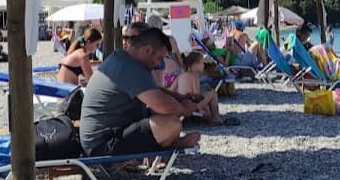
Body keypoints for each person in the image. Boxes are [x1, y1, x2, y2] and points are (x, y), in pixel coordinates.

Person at [79, 25, 201, 156]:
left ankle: (166, 147)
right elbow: (162, 105)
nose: (159, 64)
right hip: (102, 145)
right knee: (171, 124)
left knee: (167, 119)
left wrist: (179, 98)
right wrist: (184, 109)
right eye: (159, 58)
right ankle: (170, 147)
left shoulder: (123, 59)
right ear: (148, 50)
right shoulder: (128, 67)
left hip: (105, 136)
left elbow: (152, 90)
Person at [172, 51, 233, 125]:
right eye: (202, 63)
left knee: (206, 95)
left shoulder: (180, 76)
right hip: (191, 105)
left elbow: (171, 91)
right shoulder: (194, 76)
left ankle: (209, 115)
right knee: (213, 93)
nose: (203, 65)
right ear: (195, 64)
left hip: (181, 104)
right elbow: (196, 96)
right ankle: (215, 118)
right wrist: (204, 105)